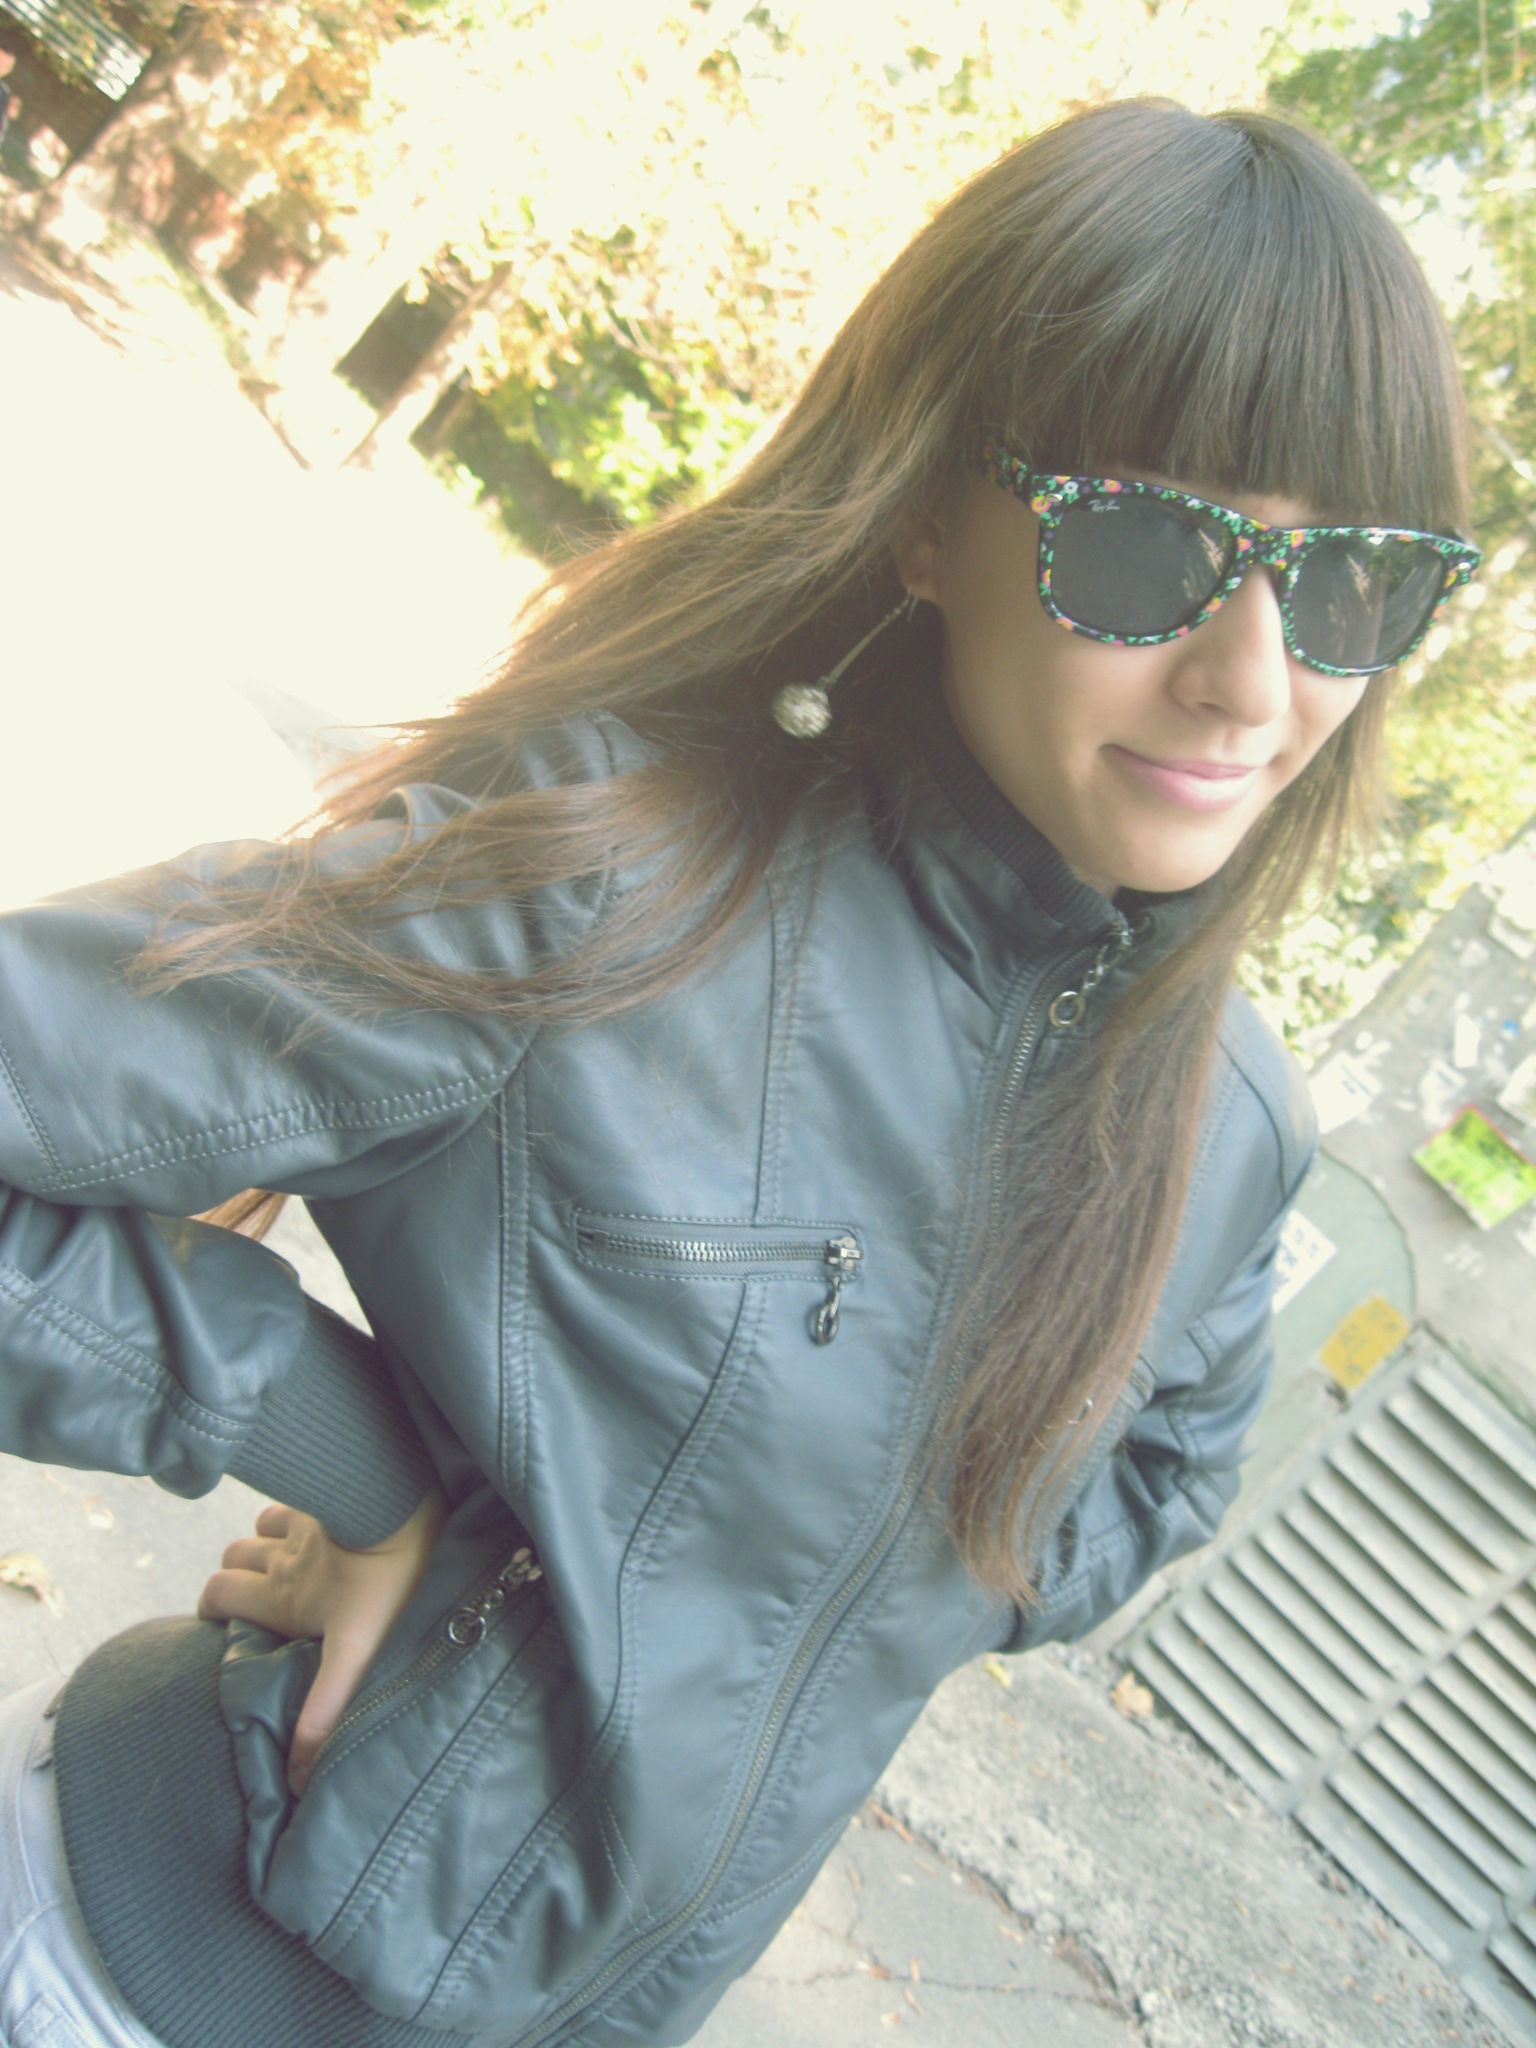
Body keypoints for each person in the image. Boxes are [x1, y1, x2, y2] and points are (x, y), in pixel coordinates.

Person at [0, 96, 1479, 2048]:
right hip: (139, 1975)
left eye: (1353, 582)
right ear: (930, 515)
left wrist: (775, 1551)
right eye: (1145, 545)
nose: (1254, 681)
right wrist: (368, 1467)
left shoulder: (1233, 1127)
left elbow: (1146, 1485)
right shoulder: (616, 875)